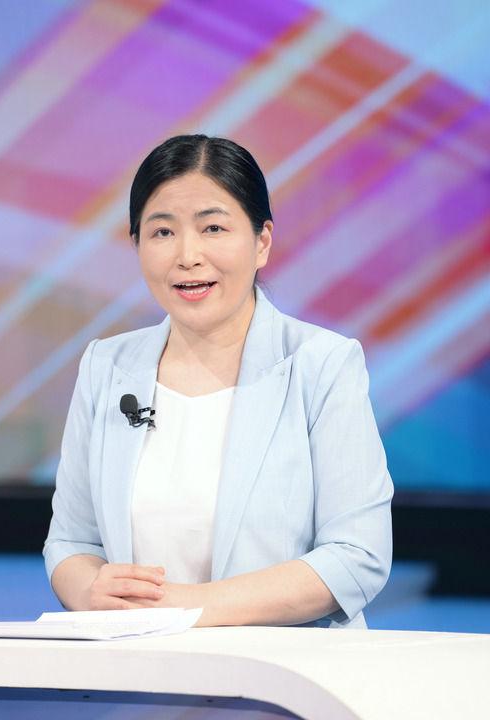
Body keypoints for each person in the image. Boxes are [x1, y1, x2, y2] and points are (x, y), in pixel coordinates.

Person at [43, 135, 393, 629]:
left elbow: (357, 556)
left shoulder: (322, 363)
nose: (188, 255)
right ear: (137, 244)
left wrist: (185, 608)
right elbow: (72, 542)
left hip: (285, 668)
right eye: (162, 232)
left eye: (213, 228)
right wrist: (91, 591)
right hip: (139, 664)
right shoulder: (107, 365)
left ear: (262, 242)